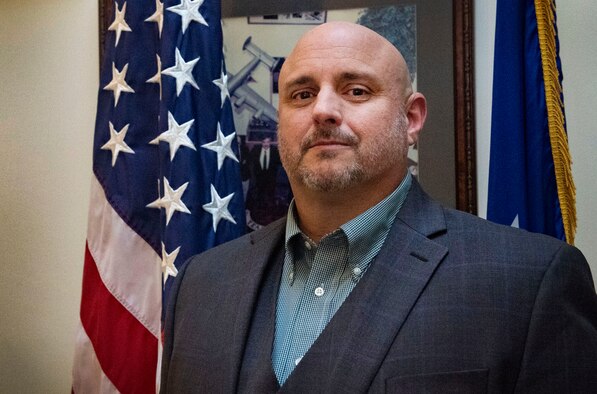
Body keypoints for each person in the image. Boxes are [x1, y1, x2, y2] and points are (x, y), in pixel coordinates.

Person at [160, 22, 597, 392]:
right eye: (301, 95)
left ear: (411, 120)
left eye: (356, 90)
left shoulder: (528, 282)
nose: (323, 110)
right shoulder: (201, 284)